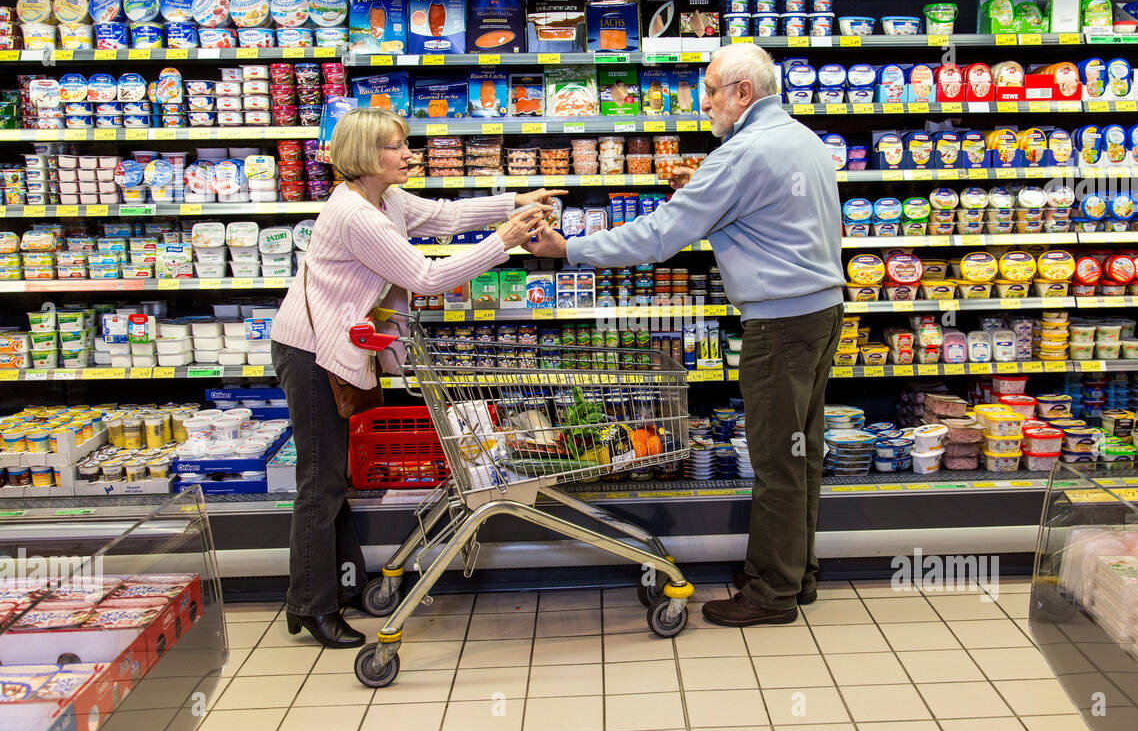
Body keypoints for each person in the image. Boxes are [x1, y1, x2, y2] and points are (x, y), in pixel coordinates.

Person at [522, 42, 843, 627]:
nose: (706, 102)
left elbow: (660, 234)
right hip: (821, 315)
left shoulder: (742, 154)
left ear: (743, 93)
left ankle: (771, 594)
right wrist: (707, 183)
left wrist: (571, 249)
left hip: (779, 324)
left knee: (775, 461)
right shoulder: (803, 141)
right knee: (802, 452)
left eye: (713, 91)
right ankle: (800, 574)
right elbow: (774, 209)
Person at [270, 106, 562, 647]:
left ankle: (336, 585)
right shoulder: (358, 216)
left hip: (334, 349)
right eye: (395, 146)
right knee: (320, 484)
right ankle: (309, 605)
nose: (409, 154)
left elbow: (446, 216)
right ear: (364, 155)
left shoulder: (383, 198)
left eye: (406, 144)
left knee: (333, 480)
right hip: (311, 353)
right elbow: (426, 277)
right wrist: (503, 240)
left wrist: (513, 202)